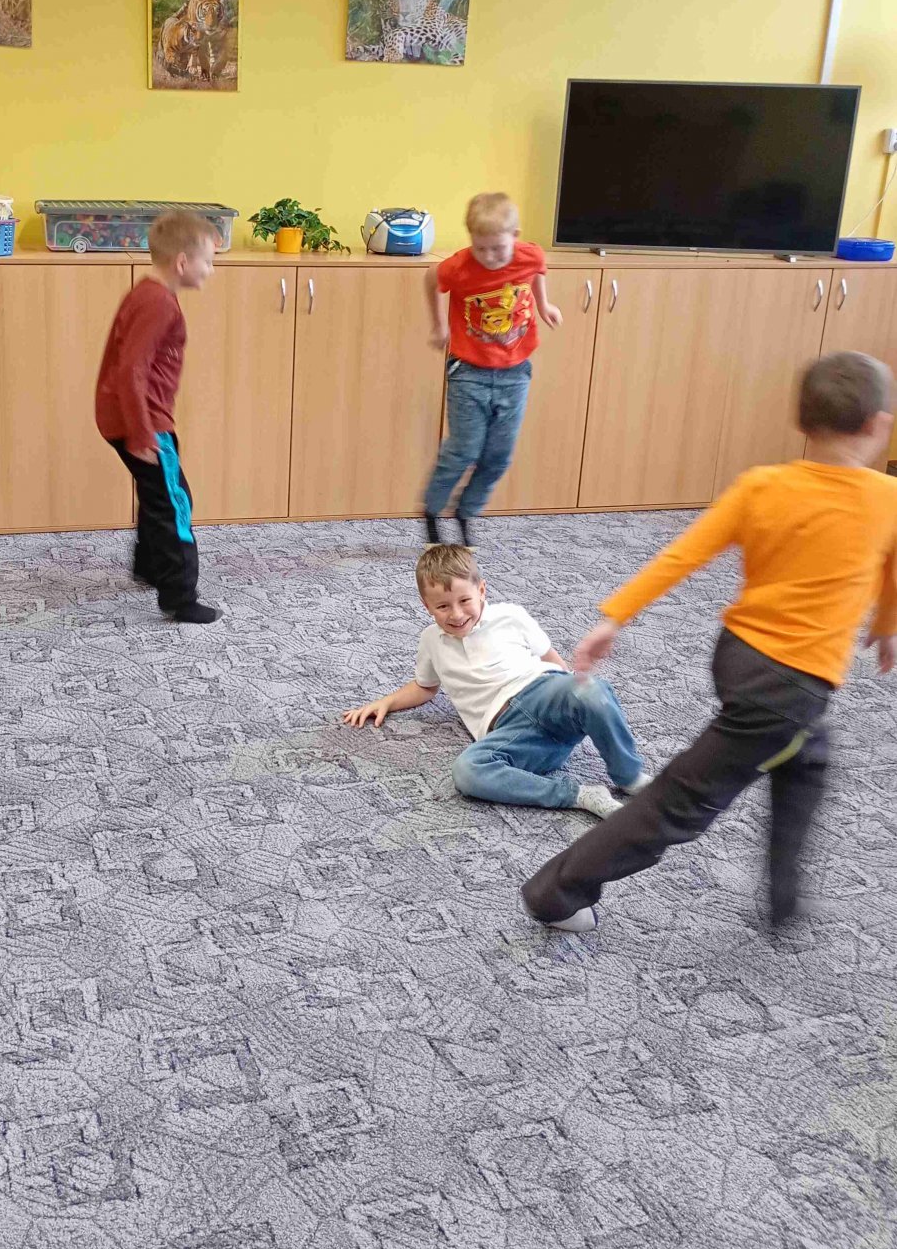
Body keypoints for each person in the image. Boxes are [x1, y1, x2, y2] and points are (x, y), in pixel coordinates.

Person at [522, 350, 897, 934]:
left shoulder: (763, 485)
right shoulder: (887, 499)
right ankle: (556, 893)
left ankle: (784, 898)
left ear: (800, 420)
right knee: (683, 802)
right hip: (789, 687)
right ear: (878, 425)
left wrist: (614, 617)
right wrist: (886, 628)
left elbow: (683, 555)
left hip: (737, 656)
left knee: (806, 756)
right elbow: (891, 571)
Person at [343, 544, 647, 816]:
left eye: (465, 600)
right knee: (468, 772)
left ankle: (629, 776)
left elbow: (553, 661)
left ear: (482, 591)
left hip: (541, 692)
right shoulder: (430, 640)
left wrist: (577, 698)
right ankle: (580, 796)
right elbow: (425, 687)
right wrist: (386, 702)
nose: (457, 614)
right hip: (511, 733)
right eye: (443, 606)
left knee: (590, 689)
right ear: (427, 606)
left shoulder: (511, 616)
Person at [96, 209, 220, 624]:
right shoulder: (159, 303)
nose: (211, 270)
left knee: (157, 495)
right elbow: (132, 369)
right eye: (208, 262)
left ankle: (149, 566)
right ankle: (180, 596)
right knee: (174, 502)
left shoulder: (148, 293)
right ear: (182, 262)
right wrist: (141, 432)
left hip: (132, 417)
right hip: (144, 422)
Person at [423, 192, 562, 546]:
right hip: (468, 371)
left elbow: (538, 270)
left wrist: (544, 305)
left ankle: (466, 513)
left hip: (515, 373)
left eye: (498, 249)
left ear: (515, 236)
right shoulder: (459, 266)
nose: (488, 257)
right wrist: (439, 325)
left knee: (498, 456)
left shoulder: (530, 254)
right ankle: (432, 510)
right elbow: (431, 278)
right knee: (464, 450)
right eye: (480, 248)